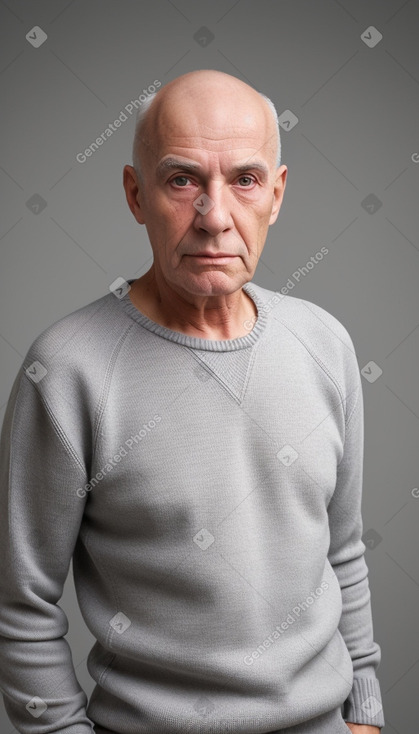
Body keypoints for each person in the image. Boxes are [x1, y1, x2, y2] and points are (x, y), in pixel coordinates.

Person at [0, 69, 384, 734]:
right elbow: (17, 607)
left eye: (244, 179)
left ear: (276, 195)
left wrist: (366, 716)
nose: (213, 217)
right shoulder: (65, 369)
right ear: (135, 193)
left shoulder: (325, 342)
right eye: (181, 179)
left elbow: (342, 552)